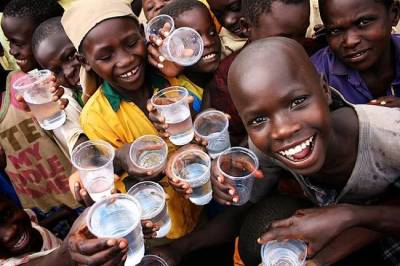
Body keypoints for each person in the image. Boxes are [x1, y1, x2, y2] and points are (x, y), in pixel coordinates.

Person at [222, 37, 400, 265]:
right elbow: (244, 203)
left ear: (325, 90)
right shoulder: (268, 147)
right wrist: (230, 184)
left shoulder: (390, 132)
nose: (283, 130)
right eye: (258, 119)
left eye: (297, 102)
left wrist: (350, 216)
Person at [61, 2, 203, 264]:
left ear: (142, 32)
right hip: (163, 231)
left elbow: (208, 115)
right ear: (85, 62)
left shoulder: (172, 74)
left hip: (208, 206)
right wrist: (130, 162)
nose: (125, 60)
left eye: (130, 43)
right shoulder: (96, 116)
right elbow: (120, 186)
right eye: (105, 57)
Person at [312, 0, 400, 107]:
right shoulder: (315, 73)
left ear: (394, 14)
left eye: (363, 22)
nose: (350, 41)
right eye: (335, 31)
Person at [0, 193, 76, 266]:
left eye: (7, 214)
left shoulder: (27, 220)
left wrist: (63, 214)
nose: (11, 233)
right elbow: (62, 259)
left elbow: (37, 226)